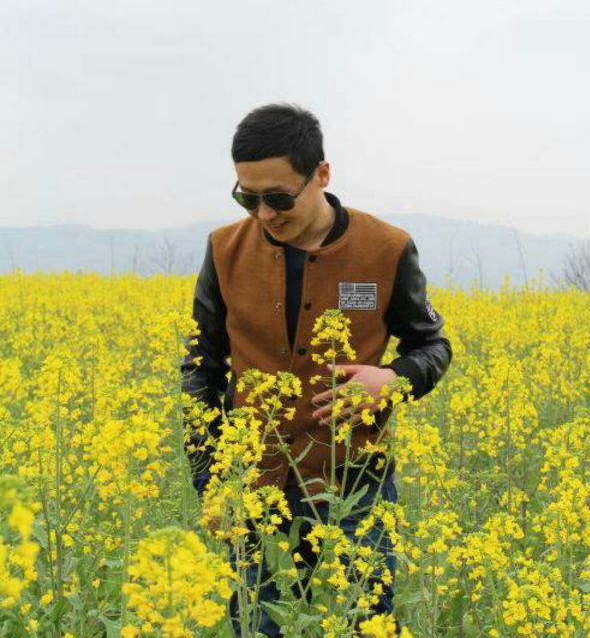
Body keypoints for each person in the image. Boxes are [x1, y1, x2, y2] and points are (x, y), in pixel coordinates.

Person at [180, 102, 453, 637]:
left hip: (355, 485)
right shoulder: (223, 249)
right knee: (258, 625)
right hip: (253, 482)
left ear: (322, 174)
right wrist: (211, 479)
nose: (263, 214)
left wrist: (393, 380)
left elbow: (432, 344)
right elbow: (200, 368)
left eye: (278, 198)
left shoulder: (388, 249)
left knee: (363, 622)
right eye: (247, 197)